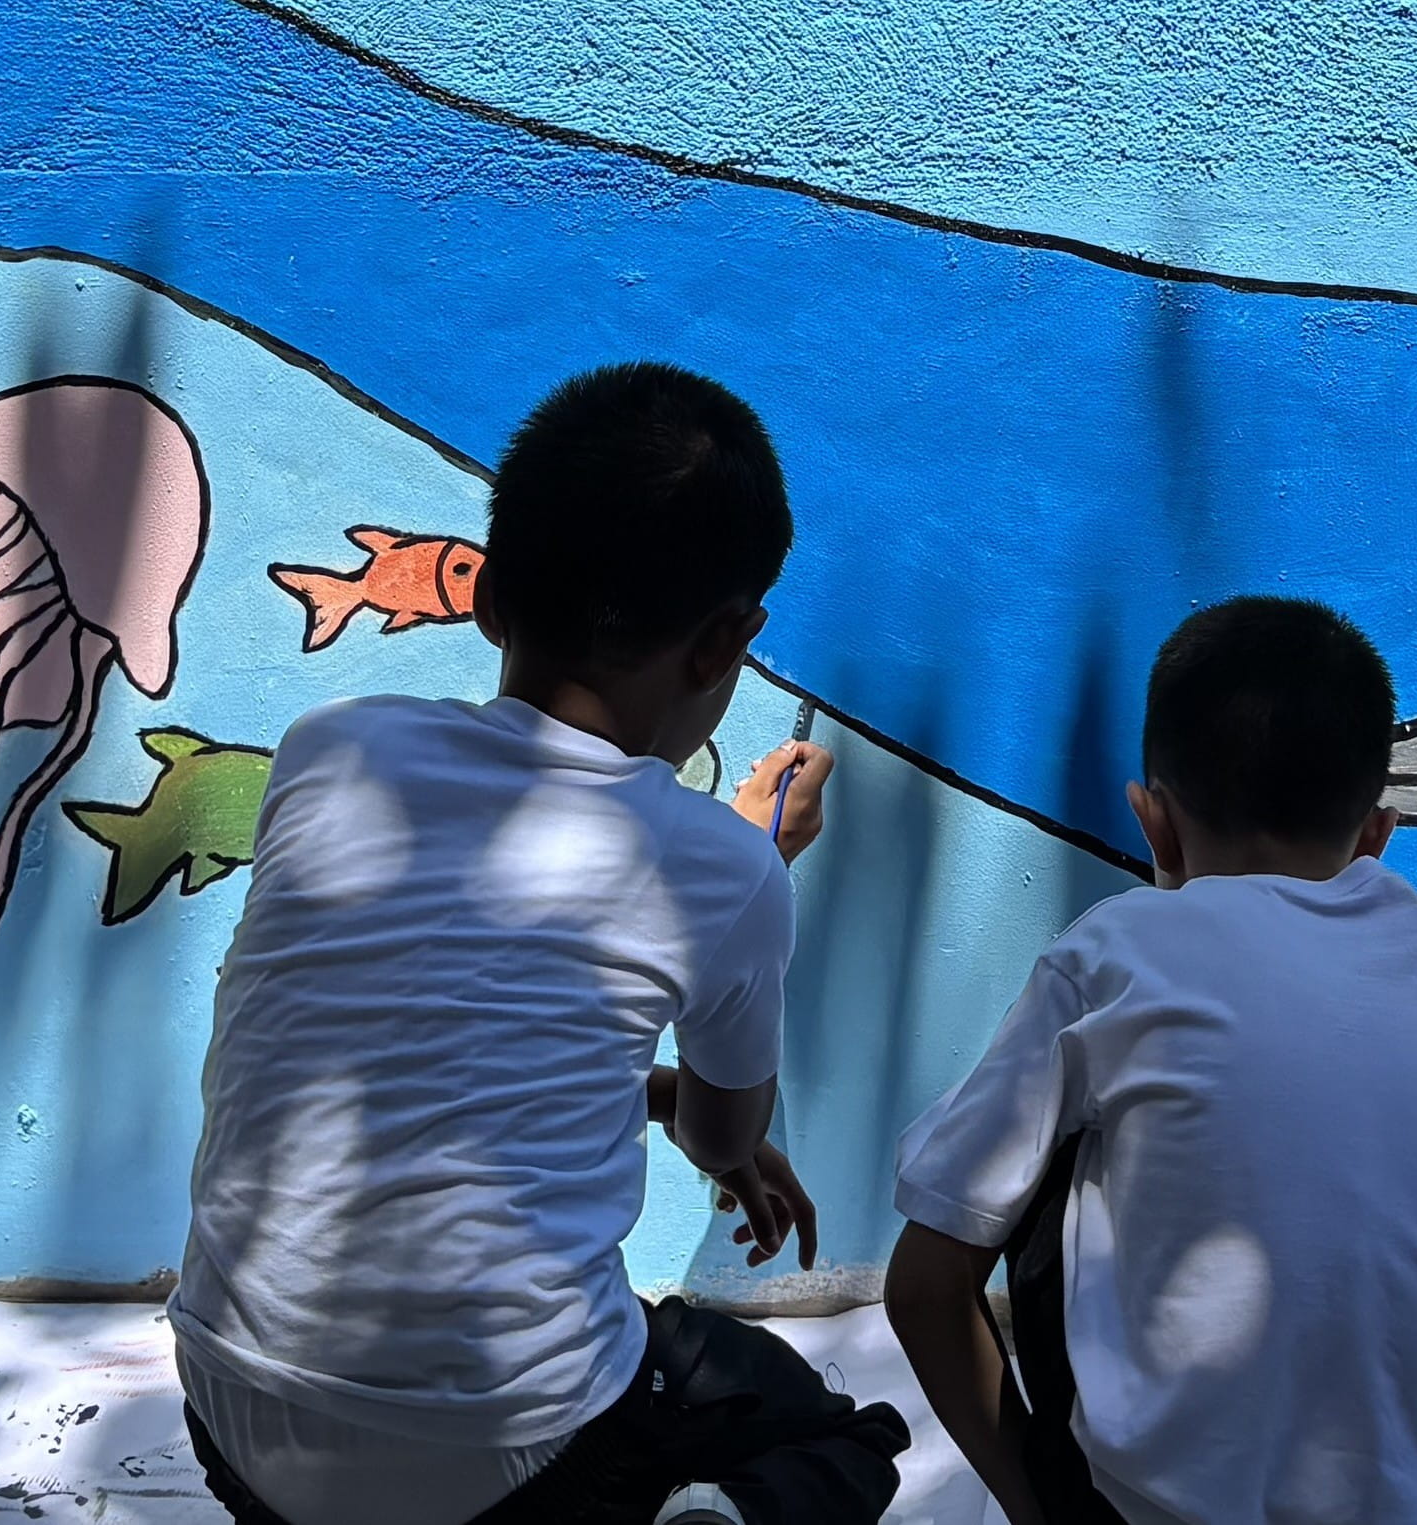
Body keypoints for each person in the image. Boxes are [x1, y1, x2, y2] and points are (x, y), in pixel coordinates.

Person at [170, 364, 906, 1525]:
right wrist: (757, 850)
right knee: (838, 1436)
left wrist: (650, 1085)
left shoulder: (327, 752)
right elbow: (727, 1133)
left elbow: (440, 1011)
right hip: (506, 1456)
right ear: (728, 642)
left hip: (225, 1404)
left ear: (489, 597)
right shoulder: (723, 868)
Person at [878, 597, 1417, 1525]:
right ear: (1376, 835)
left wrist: (1035, 1505)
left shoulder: (1117, 950)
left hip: (1177, 1508)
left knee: (1044, 1161)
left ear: (1153, 825)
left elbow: (925, 1288)